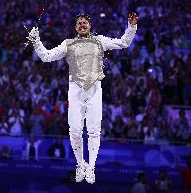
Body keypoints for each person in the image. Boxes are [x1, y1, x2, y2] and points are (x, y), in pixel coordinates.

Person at [27, 12, 138, 184]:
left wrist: (131, 27)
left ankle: (91, 167)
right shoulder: (68, 44)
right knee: (75, 130)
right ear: (75, 27)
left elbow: (124, 42)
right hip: (75, 89)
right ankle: (80, 165)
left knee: (94, 131)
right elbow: (46, 56)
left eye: (84, 22)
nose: (82, 24)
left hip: (94, 88)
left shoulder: (100, 40)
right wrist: (36, 41)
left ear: (90, 25)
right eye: (79, 23)